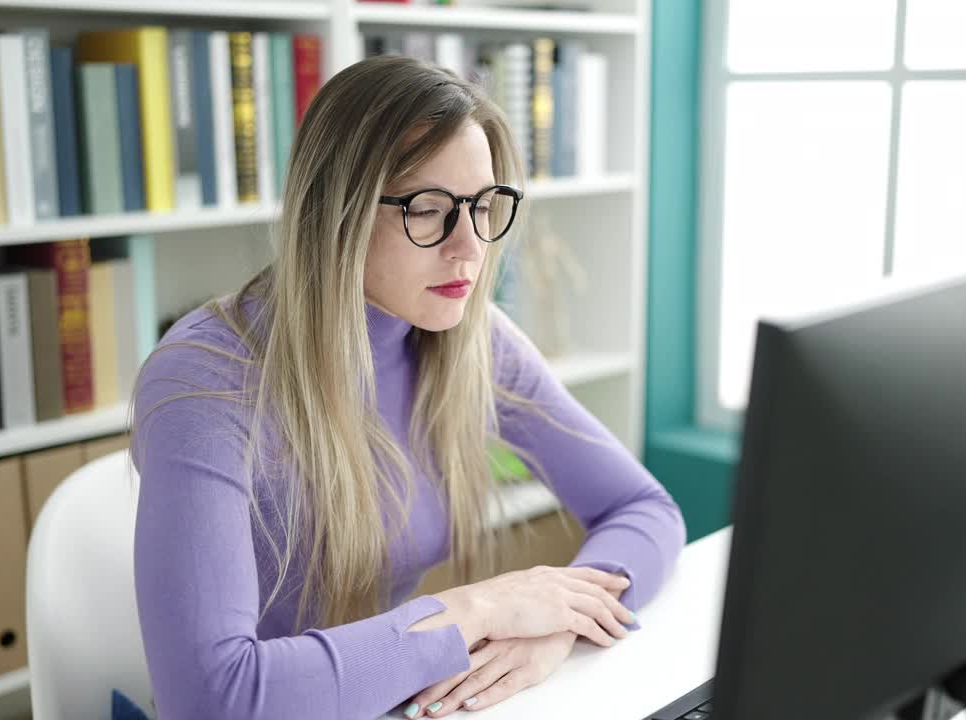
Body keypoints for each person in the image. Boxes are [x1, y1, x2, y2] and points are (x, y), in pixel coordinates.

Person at [129, 54, 686, 720]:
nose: (471, 249)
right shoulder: (206, 380)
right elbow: (212, 698)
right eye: (428, 210)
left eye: (484, 206)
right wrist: (477, 609)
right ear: (336, 213)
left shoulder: (470, 339)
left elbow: (645, 508)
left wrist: (563, 621)